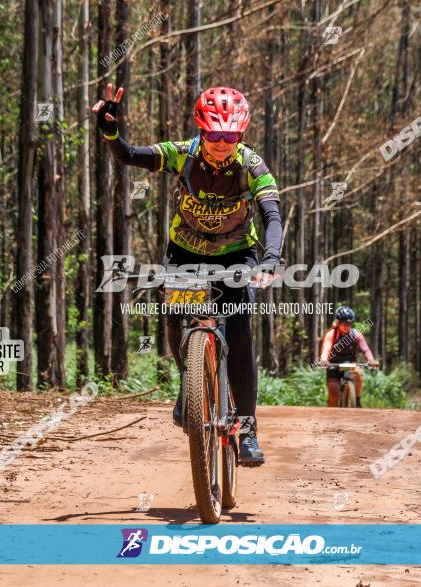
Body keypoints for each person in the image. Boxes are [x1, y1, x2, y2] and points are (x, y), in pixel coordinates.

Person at [92, 84, 282, 466]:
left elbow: (271, 214)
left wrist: (272, 257)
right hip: (186, 253)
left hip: (236, 255)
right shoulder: (182, 155)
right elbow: (128, 155)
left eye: (231, 135)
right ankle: (189, 384)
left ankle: (247, 428)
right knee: (176, 316)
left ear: (241, 134)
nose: (222, 143)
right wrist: (110, 130)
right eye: (214, 134)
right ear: (201, 131)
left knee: (241, 331)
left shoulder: (252, 164)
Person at [318, 306, 379, 407]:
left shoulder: (356, 334)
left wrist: (371, 360)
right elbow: (326, 349)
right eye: (344, 323)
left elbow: (365, 349)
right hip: (334, 365)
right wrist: (323, 360)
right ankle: (330, 416)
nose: (346, 326)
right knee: (334, 392)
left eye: (349, 323)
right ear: (338, 323)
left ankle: (357, 400)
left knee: (358, 374)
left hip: (350, 363)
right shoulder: (331, 334)